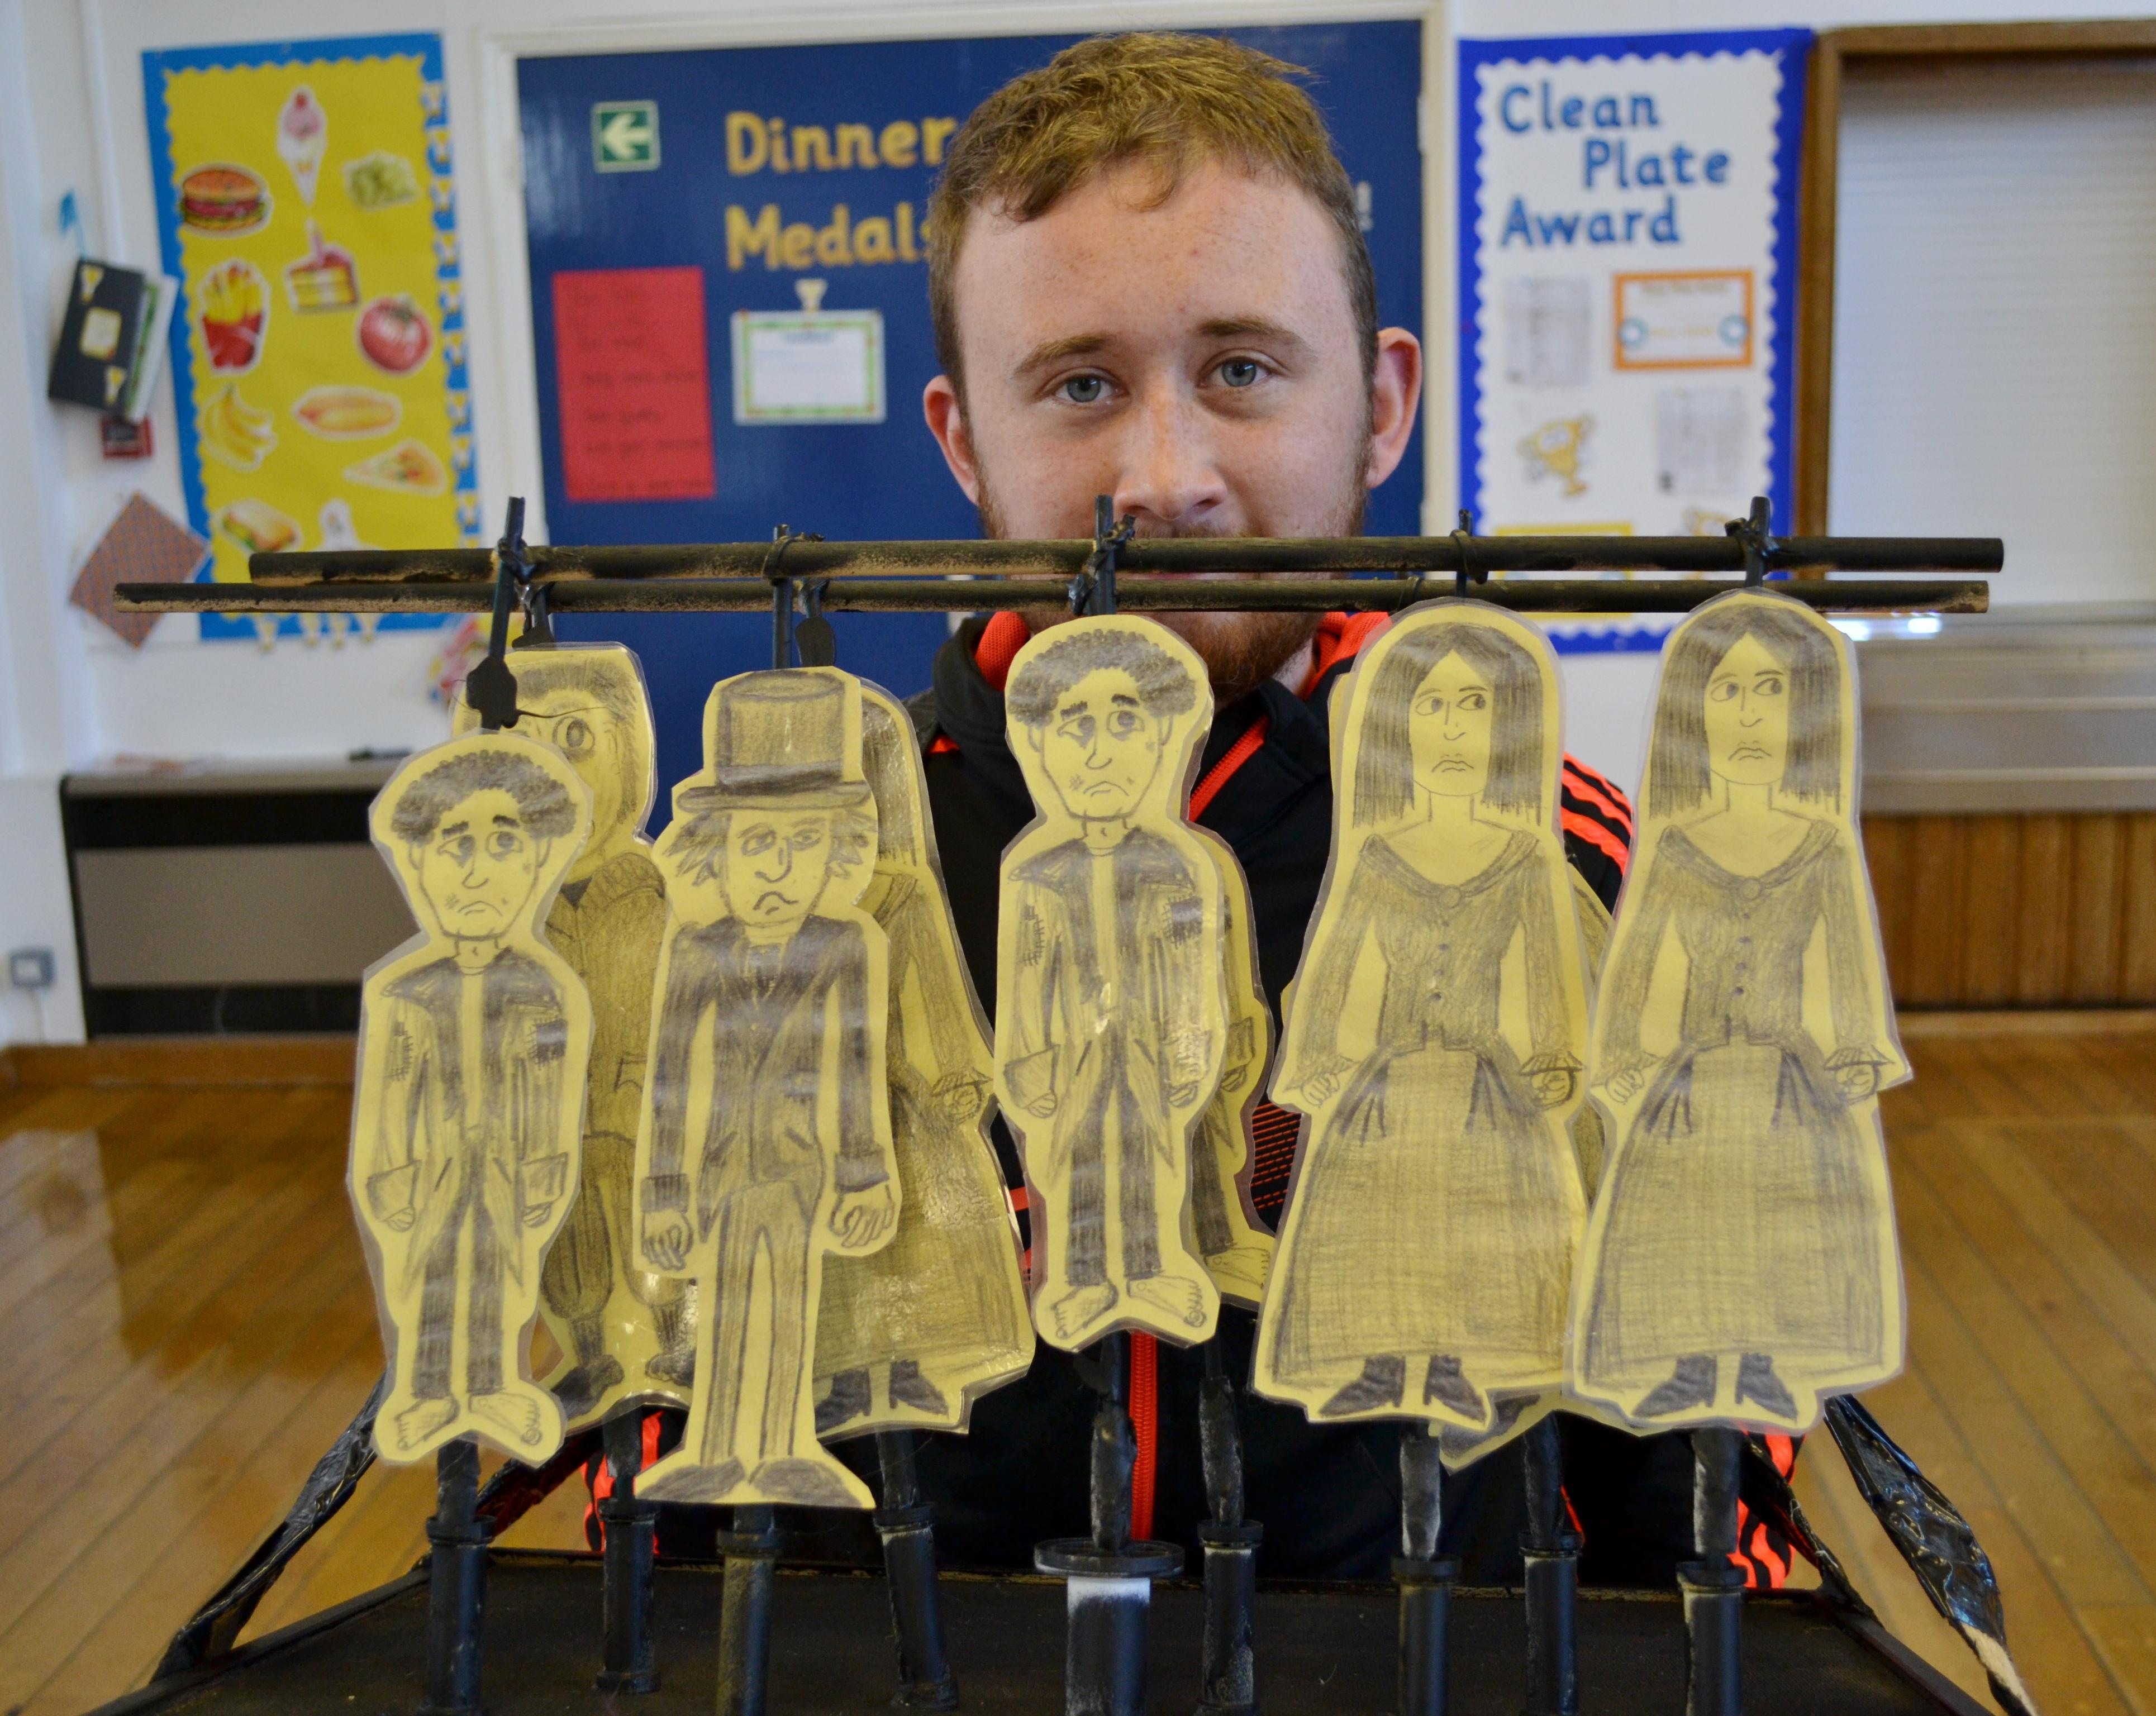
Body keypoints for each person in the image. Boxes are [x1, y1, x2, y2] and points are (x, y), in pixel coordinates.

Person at [899, 31, 1709, 1586]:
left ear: (1381, 403)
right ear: (962, 441)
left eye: (1242, 370)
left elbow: (1685, 1387)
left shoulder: (1563, 856)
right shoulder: (825, 859)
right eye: (1078, 385)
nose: (1167, 476)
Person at [1573, 594, 1905, 1432]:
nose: (1750, 715)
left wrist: (1853, 1049)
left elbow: (1842, 964)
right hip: (1688, 1082)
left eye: (1772, 692)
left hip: (1791, 1086)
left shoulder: (1821, 844)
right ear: (1696, 710)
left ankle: (1761, 1358)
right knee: (1689, 1223)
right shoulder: (1676, 843)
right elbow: (1644, 965)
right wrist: (1626, 1056)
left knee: (1770, 1223)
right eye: (1728, 691)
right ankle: (1689, 1358)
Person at [1259, 611, 1588, 1432]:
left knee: (1462, 1227)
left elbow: (1543, 965)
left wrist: (1552, 1052)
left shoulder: (1526, 854)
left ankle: (1456, 1362)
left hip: (1487, 1090)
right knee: (1380, 1226)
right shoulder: (1376, 852)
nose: (1450, 729)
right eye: (1431, 707)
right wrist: (1319, 1058)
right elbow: (1340, 964)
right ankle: (1375, 1359)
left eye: (1473, 707)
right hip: (1383, 1084)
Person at [635, 670, 899, 1509]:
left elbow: (854, 1069)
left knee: (787, 1306)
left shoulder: (845, 947)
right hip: (716, 1170)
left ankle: (785, 1447)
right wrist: (663, 1192)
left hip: (799, 1169)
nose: (780, 869)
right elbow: (670, 1077)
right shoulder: (696, 949)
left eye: (804, 843)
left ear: (836, 851)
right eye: (756, 843)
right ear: (717, 850)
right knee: (721, 1309)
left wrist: (863, 1174)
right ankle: (716, 1449)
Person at [454, 646, 693, 1424]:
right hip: (556, 1120)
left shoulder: (658, 890)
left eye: (575, 739)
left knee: (655, 1234)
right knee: (573, 1251)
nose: (551, 775)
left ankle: (672, 1343)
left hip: (647, 1111)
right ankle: (592, 1354)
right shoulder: (506, 919)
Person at [354, 737, 588, 1462]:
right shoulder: (403, 992)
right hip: (430, 1167)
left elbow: (551, 1081)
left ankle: (491, 1385)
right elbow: (392, 1091)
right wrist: (391, 1169)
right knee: (426, 1274)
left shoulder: (545, 986)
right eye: (456, 846)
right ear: (419, 862)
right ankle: (429, 1389)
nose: (479, 869)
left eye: (504, 843)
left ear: (538, 859)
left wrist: (547, 1160)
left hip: (509, 1166)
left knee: (502, 1274)